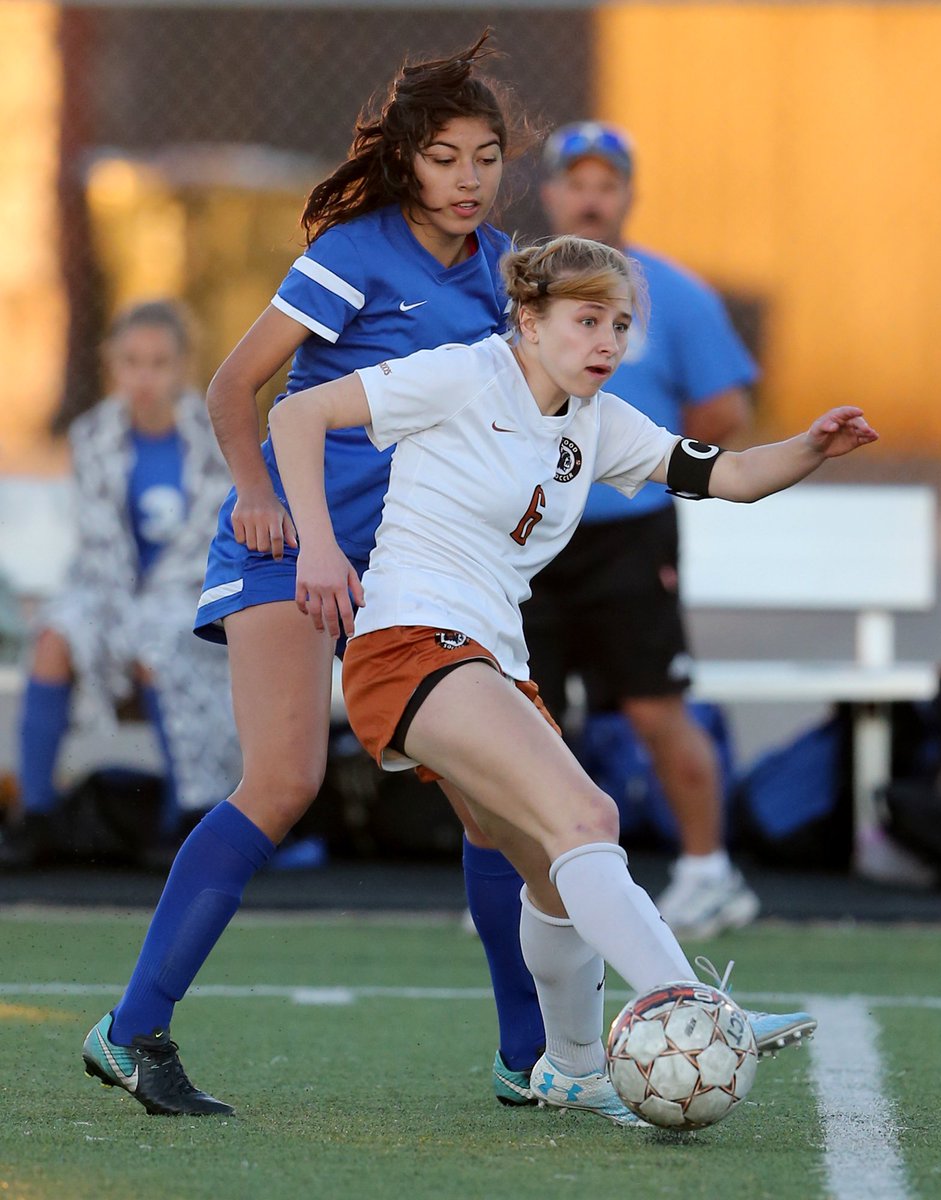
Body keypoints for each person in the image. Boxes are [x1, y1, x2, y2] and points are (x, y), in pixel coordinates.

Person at [266, 234, 873, 1121]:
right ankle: (696, 1005)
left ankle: (572, 1066)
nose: (606, 341)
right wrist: (317, 547)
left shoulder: (600, 421)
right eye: (586, 320)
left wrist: (812, 446)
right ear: (529, 320)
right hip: (409, 643)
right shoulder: (465, 373)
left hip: (489, 662)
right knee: (590, 817)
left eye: (620, 324)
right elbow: (294, 415)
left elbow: (732, 474)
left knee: (552, 868)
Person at [81, 32, 549, 1118]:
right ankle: (131, 1027)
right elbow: (234, 386)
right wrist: (260, 498)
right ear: (406, 161)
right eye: (445, 155)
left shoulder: (498, 272)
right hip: (292, 549)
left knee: (488, 804)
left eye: (486, 156)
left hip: (406, 571)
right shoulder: (355, 248)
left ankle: (528, 1059)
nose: (470, 177)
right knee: (284, 781)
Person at [525, 121, 761, 938]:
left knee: (656, 707)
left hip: (629, 537)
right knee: (528, 716)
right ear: (550, 193)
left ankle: (708, 873)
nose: (591, 196)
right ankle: (540, 881)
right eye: (575, 181)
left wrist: (642, 458)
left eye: (607, 183)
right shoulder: (516, 291)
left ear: (628, 195)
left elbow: (724, 408)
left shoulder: (672, 292)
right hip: (527, 536)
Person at [0, 301, 239, 871]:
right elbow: (100, 547)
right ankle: (36, 814)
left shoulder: (213, 439)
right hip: (108, 590)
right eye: (131, 362)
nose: (144, 377)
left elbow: (209, 542)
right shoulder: (93, 436)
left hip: (186, 595)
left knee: (158, 643)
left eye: (158, 363)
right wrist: (120, 616)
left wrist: (141, 619)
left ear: (182, 367)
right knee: (57, 634)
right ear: (113, 365)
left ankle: (183, 815)